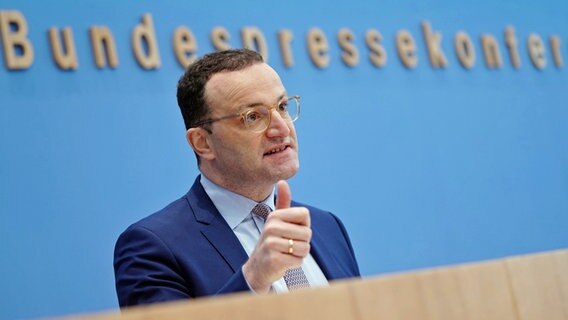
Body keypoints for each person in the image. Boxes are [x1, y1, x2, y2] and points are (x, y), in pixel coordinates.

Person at [114, 49, 360, 307]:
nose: (282, 128)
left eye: (283, 107)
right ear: (202, 142)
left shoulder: (327, 227)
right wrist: (253, 279)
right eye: (252, 116)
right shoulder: (153, 247)